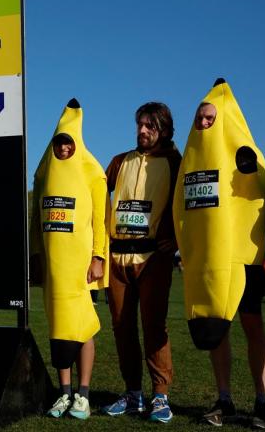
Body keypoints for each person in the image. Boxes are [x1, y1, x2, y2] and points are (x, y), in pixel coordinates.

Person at [189, 103, 265, 430]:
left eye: (211, 117)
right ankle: (223, 398)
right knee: (218, 329)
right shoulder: (192, 160)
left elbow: (261, 198)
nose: (205, 122)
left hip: (245, 261)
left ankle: (262, 401)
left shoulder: (250, 155)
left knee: (253, 328)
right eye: (200, 118)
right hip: (210, 262)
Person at [101, 102, 180, 423]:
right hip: (117, 257)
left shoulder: (176, 162)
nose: (143, 131)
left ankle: (160, 396)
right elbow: (93, 193)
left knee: (153, 326)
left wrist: (176, 237)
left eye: (150, 126)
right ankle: (132, 393)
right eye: (140, 125)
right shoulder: (120, 161)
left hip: (153, 259)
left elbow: (188, 205)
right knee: (122, 327)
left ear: (163, 129)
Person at [30, 99, 108, 419]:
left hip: (83, 269)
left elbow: (101, 221)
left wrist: (99, 257)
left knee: (83, 328)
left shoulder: (92, 169)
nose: (63, 148)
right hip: (53, 267)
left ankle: (83, 395)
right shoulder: (43, 170)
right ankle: (64, 394)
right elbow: (36, 219)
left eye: (68, 142)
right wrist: (36, 255)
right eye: (59, 142)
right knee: (59, 325)